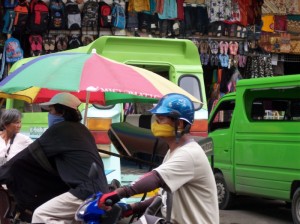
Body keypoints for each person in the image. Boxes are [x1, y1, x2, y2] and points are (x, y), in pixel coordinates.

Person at [98, 93, 219, 224]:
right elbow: (163, 196)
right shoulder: (173, 152)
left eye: (160, 119)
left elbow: (156, 178)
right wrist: (131, 208)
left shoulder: (189, 154)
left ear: (179, 124)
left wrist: (119, 193)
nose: (155, 123)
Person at [0, 93, 109, 223]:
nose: (49, 114)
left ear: (61, 112)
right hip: (100, 189)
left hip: (85, 191)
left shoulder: (60, 130)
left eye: (51, 110)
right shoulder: (82, 129)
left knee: (40, 215)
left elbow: (27, 156)